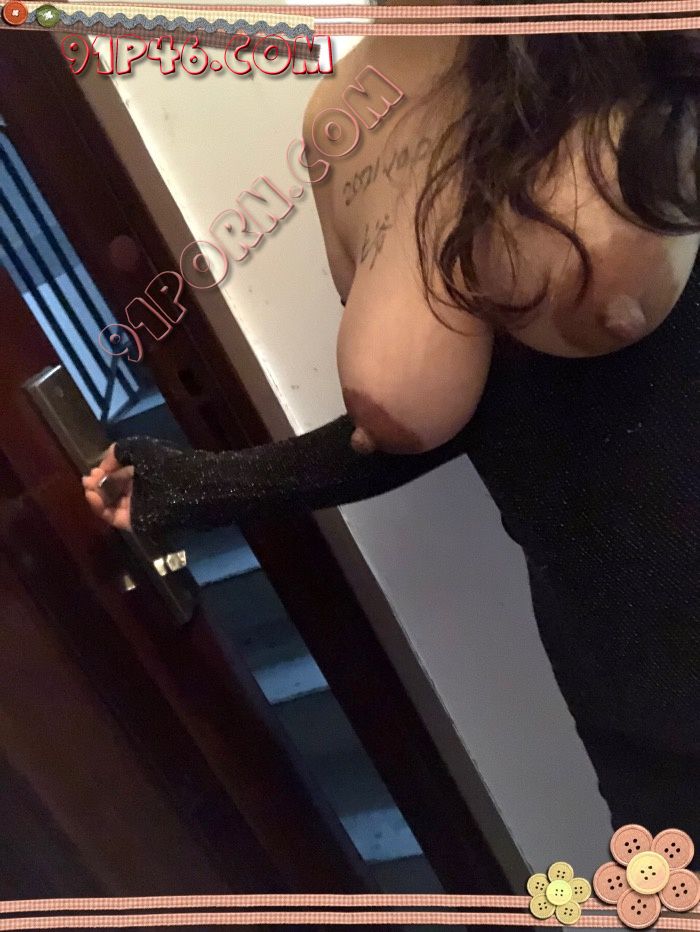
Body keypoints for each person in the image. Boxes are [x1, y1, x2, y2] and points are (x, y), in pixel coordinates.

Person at [83, 26, 699, 866]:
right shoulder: (340, 118)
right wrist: (198, 486)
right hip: (626, 697)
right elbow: (457, 414)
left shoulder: (634, 29)